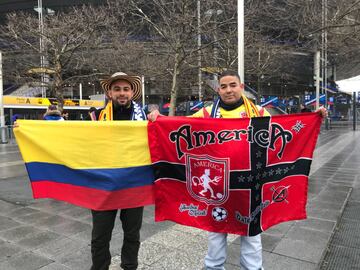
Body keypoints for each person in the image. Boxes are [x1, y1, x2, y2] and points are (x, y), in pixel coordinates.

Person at [148, 70, 327, 270]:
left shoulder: (259, 113)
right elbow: (180, 127)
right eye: (223, 86)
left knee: (251, 235)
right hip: (219, 186)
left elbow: (286, 130)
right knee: (216, 231)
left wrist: (314, 117)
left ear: (241, 87)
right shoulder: (206, 114)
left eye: (233, 85)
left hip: (250, 187)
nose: (228, 90)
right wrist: (159, 119)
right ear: (218, 90)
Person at [89, 72, 147, 270]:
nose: (122, 93)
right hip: (104, 185)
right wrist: (27, 128)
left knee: (132, 235)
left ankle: (129, 267)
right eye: (117, 89)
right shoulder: (95, 116)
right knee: (99, 237)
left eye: (126, 89)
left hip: (134, 184)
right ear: (109, 92)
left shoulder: (146, 115)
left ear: (132, 92)